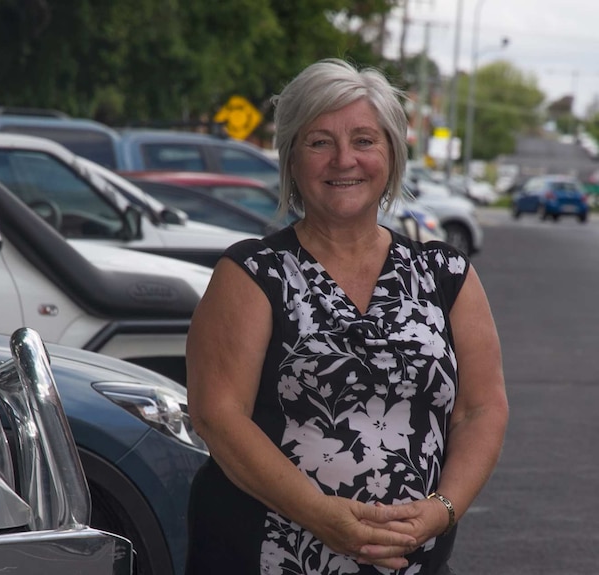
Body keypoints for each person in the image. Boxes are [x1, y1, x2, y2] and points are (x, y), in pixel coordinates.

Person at [184, 58, 509, 574]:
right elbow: (217, 416)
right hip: (266, 557)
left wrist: (442, 511)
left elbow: (480, 409)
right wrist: (324, 517)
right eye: (319, 142)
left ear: (392, 156)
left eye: (364, 140)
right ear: (292, 159)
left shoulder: (445, 273)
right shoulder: (253, 273)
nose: (343, 160)